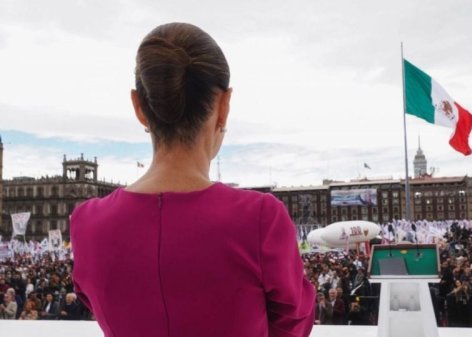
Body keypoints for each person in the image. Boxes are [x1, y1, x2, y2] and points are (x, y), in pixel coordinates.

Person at [70, 22, 315, 337]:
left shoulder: (87, 222)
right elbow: (294, 320)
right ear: (223, 106)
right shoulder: (260, 217)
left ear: (139, 107)